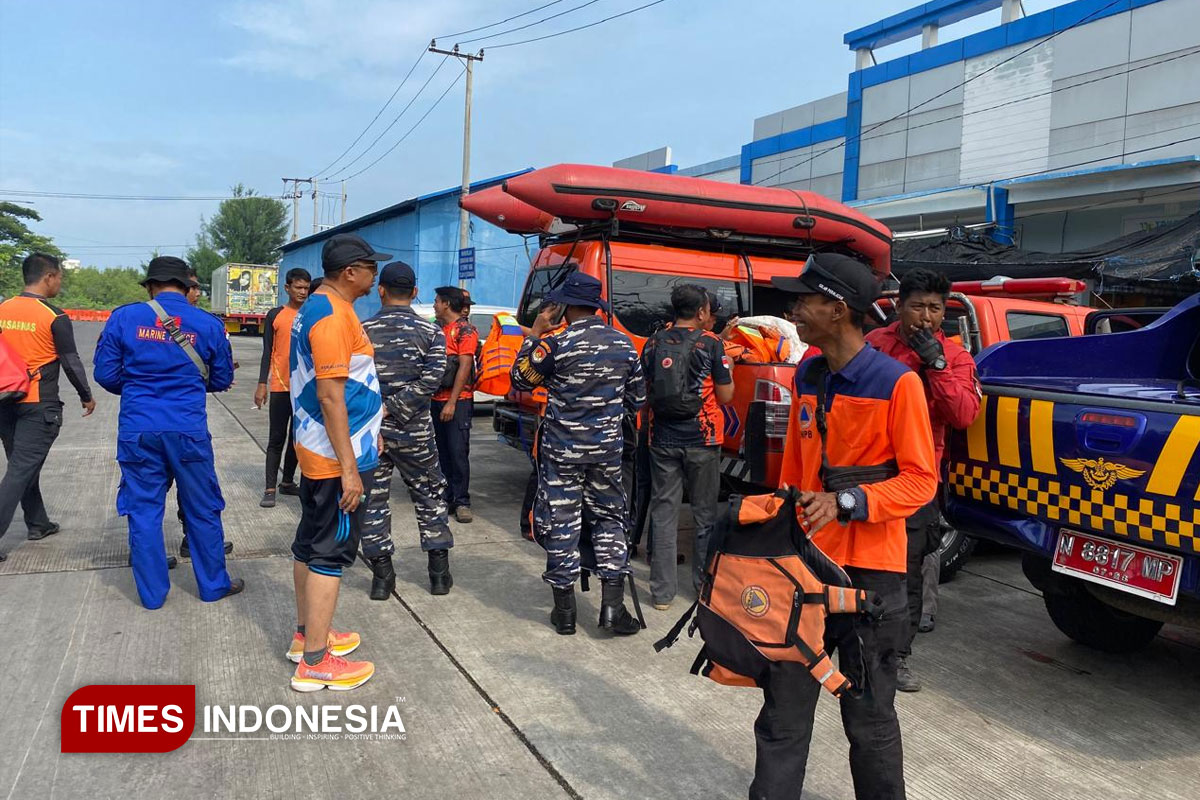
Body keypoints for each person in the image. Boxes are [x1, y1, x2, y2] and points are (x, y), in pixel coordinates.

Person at [753, 253, 938, 800]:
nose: (794, 311)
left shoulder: (897, 383)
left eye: (804, 301)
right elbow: (794, 468)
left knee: (870, 722)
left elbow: (920, 482)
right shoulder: (807, 372)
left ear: (837, 310)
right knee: (781, 717)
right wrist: (774, 524)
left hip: (870, 581)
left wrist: (847, 500)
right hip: (803, 570)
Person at [93, 256, 242, 609]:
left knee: (143, 510)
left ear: (149, 286)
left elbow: (105, 374)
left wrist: (138, 388)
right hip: (187, 430)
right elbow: (221, 378)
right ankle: (212, 586)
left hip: (139, 429)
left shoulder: (124, 318)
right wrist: (186, 383)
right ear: (188, 286)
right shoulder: (206, 323)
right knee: (202, 508)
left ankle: (153, 595)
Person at [510, 273, 645, 637]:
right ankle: (613, 608)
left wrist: (535, 334)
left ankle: (565, 612)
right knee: (610, 519)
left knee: (562, 520)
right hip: (606, 450)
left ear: (566, 307)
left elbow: (520, 380)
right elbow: (638, 400)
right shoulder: (624, 344)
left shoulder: (556, 344)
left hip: (561, 451)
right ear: (595, 306)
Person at [866, 267, 980, 692]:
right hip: (866, 472)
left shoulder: (955, 357)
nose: (926, 317)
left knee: (908, 573)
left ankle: (897, 658)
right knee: (858, 564)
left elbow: (964, 414)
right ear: (899, 307)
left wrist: (935, 363)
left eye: (935, 308)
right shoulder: (874, 345)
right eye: (918, 306)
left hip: (917, 479)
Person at [286, 233, 387, 692]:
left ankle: (309, 633)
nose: (376, 276)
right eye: (371, 267)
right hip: (333, 458)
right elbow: (329, 396)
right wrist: (350, 467)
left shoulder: (325, 308)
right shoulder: (328, 316)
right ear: (350, 272)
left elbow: (350, 387)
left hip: (324, 450)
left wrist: (372, 429)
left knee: (310, 543)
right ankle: (316, 661)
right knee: (330, 551)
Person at [361, 261, 454, 599]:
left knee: (373, 500)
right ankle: (439, 575)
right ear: (415, 293)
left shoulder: (362, 330)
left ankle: (382, 578)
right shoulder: (432, 332)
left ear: (380, 290)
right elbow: (433, 379)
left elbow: (354, 383)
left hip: (373, 432)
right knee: (429, 494)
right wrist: (401, 407)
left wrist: (384, 409)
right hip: (416, 430)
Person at [641, 285, 733, 611]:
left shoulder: (653, 342)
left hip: (662, 438)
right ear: (702, 312)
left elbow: (645, 390)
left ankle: (662, 594)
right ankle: (703, 589)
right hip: (703, 439)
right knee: (705, 515)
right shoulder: (712, 344)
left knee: (664, 513)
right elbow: (725, 396)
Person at [0, 253, 95, 561]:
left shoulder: (3, 309)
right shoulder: (52, 315)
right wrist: (86, 395)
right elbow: (70, 361)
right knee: (19, 470)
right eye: (59, 278)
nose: (60, 283)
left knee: (23, 465)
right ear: (49, 277)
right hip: (37, 404)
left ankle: (38, 523)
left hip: (4, 402)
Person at [255, 268, 311, 508]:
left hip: (305, 389)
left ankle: (287, 482)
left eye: (306, 288)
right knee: (276, 437)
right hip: (280, 385)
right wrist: (261, 384)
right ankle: (270, 487)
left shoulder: (311, 314)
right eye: (298, 287)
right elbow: (267, 351)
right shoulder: (276, 315)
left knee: (298, 439)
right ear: (287, 288)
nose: (302, 292)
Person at [431, 286, 478, 523]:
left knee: (458, 453)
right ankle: (446, 497)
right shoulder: (437, 329)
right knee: (441, 452)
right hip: (435, 400)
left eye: (437, 301)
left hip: (457, 402)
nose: (434, 305)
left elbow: (465, 366)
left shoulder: (464, 330)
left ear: (447, 304)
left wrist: (451, 402)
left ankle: (461, 501)